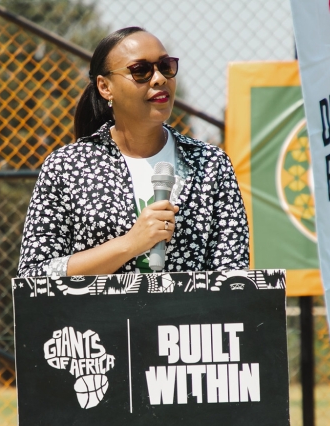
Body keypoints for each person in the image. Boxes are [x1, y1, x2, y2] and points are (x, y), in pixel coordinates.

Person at [17, 27, 249, 278]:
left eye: (166, 66)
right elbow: (34, 276)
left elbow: (231, 278)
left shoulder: (210, 165)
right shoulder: (67, 167)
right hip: (100, 318)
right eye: (141, 71)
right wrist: (130, 244)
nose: (159, 78)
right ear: (105, 87)